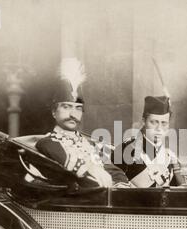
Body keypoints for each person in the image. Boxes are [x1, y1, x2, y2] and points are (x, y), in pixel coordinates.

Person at [36, 58, 128, 188]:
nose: (73, 114)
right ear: (54, 112)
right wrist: (91, 167)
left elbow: (114, 171)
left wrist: (121, 185)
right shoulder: (47, 143)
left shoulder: (89, 144)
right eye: (66, 107)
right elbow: (68, 161)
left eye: (78, 108)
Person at [112, 96, 187, 187]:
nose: (159, 129)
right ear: (144, 121)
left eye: (164, 123)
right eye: (154, 122)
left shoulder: (170, 157)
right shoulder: (124, 149)